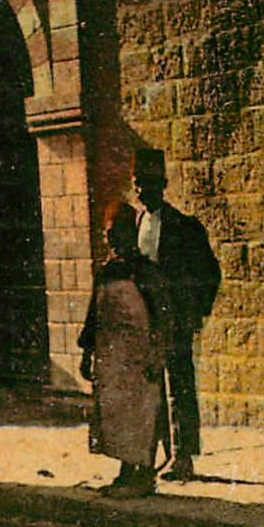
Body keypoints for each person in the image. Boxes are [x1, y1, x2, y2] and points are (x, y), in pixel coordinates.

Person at [132, 148, 220, 482]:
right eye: (139, 184)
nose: (144, 191)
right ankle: (152, 456)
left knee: (179, 387)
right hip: (145, 321)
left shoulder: (184, 227)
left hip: (175, 320)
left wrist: (194, 312)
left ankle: (184, 456)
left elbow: (210, 272)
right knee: (148, 390)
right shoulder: (134, 223)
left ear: (164, 185)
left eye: (151, 184)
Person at [79, 204, 172, 498]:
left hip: (139, 356)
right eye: (108, 234)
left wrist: (158, 354)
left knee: (142, 414)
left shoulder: (148, 273)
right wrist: (87, 352)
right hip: (111, 356)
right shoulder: (106, 272)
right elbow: (93, 315)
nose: (112, 240)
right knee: (117, 415)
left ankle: (143, 475)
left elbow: (162, 316)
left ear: (130, 233)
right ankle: (124, 471)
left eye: (117, 233)